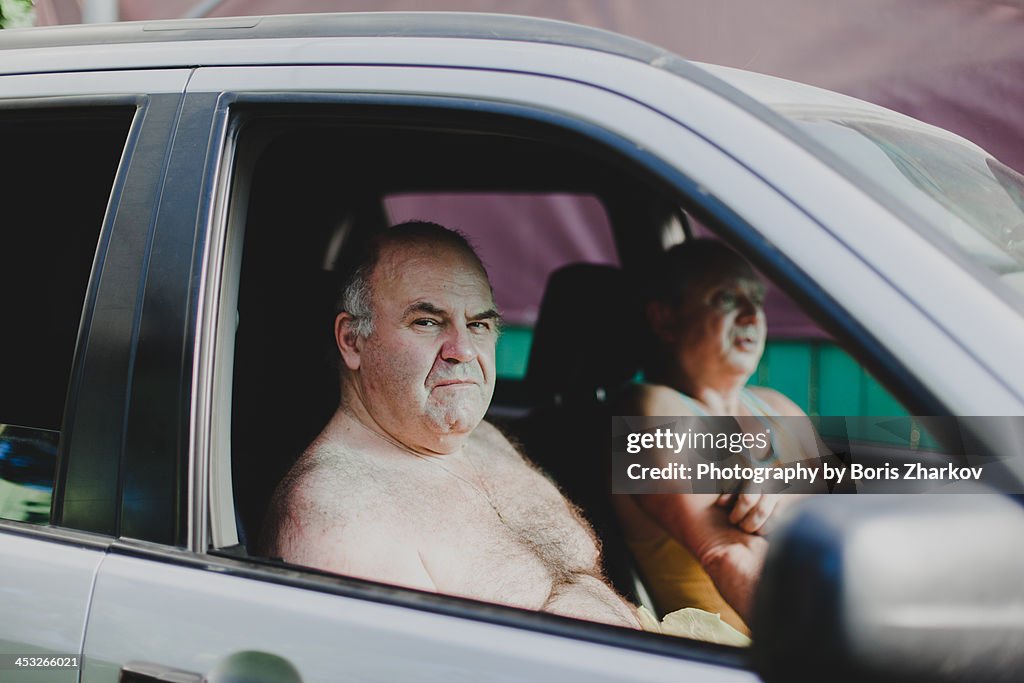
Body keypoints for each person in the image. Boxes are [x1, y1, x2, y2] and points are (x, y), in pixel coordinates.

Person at [261, 221, 640, 629]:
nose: (462, 350)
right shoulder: (338, 520)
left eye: (478, 324)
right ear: (352, 341)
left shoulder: (486, 439)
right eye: (427, 322)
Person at [615, 239, 822, 635]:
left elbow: (839, 499)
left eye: (757, 300)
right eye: (726, 298)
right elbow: (727, 554)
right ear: (665, 320)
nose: (751, 314)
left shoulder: (775, 406)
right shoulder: (647, 408)